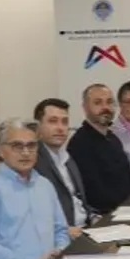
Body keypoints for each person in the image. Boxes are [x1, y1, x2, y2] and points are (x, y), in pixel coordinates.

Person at [0, 117, 71, 259]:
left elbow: (61, 230)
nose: (26, 152)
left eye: (31, 145)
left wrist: (59, 251)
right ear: (0, 151)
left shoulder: (45, 185)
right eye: (17, 146)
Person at [67, 83, 130, 213]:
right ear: (85, 107)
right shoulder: (80, 143)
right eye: (98, 103)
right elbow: (96, 194)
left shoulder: (113, 138)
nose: (105, 107)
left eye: (109, 102)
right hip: (107, 213)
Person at [33, 97, 90, 236]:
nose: (60, 128)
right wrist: (64, 231)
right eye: (53, 121)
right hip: (63, 235)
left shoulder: (67, 158)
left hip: (85, 228)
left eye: (64, 122)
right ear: (38, 127)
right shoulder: (33, 161)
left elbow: (78, 200)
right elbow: (33, 213)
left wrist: (93, 217)